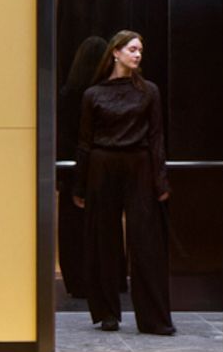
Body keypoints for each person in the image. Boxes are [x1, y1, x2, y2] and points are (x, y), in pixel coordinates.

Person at [77, 29, 173, 335]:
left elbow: (157, 137)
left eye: (140, 51)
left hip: (139, 165)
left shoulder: (149, 91)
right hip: (102, 166)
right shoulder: (93, 94)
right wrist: (79, 185)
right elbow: (84, 142)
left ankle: (154, 318)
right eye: (132, 49)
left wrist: (161, 181)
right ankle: (107, 313)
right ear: (115, 53)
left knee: (146, 242)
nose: (137, 54)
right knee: (103, 239)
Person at [54, 35, 109, 311]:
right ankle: (102, 279)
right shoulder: (102, 94)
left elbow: (63, 137)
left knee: (71, 226)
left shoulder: (67, 94)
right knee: (98, 226)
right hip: (97, 166)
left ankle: (75, 279)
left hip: (70, 167)